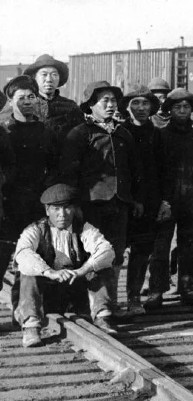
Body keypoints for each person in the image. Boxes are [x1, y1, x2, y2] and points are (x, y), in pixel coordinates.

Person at [59, 81, 142, 315]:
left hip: (120, 203)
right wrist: (74, 205)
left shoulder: (123, 133)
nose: (110, 105)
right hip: (91, 205)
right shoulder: (80, 134)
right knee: (91, 254)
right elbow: (69, 172)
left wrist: (135, 200)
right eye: (104, 100)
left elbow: (134, 171)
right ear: (91, 106)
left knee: (115, 254)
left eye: (113, 100)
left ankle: (109, 304)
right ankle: (89, 306)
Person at [15, 184, 116, 346]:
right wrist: (49, 272)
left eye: (67, 208)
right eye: (56, 209)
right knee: (28, 271)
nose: (62, 214)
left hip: (74, 290)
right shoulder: (35, 230)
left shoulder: (84, 228)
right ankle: (31, 326)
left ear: (74, 209)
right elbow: (23, 253)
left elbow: (106, 250)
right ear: (47, 210)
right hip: (45, 294)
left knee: (101, 266)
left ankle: (102, 317)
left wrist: (82, 270)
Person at [146, 89, 193, 309]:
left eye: (186, 107)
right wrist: (160, 201)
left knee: (191, 245)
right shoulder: (161, 135)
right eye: (177, 107)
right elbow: (154, 171)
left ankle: (188, 288)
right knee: (160, 246)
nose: (183, 111)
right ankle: (156, 290)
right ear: (169, 111)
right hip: (167, 200)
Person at [0, 76, 58, 290]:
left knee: (30, 257)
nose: (27, 101)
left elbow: (54, 165)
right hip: (8, 202)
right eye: (21, 97)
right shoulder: (5, 130)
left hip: (36, 201)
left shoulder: (46, 131)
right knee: (3, 253)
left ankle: (24, 312)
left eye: (31, 97)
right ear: (11, 101)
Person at [117, 84, 161, 317]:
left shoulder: (157, 134)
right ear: (126, 106)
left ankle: (134, 298)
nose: (141, 108)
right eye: (136, 103)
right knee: (115, 252)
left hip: (150, 202)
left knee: (142, 252)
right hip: (124, 201)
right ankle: (110, 301)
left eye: (145, 103)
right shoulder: (120, 133)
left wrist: (162, 201)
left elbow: (164, 170)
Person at [3, 54, 82, 145]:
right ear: (34, 78)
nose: (49, 79)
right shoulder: (20, 105)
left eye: (54, 74)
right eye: (44, 74)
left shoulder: (71, 107)